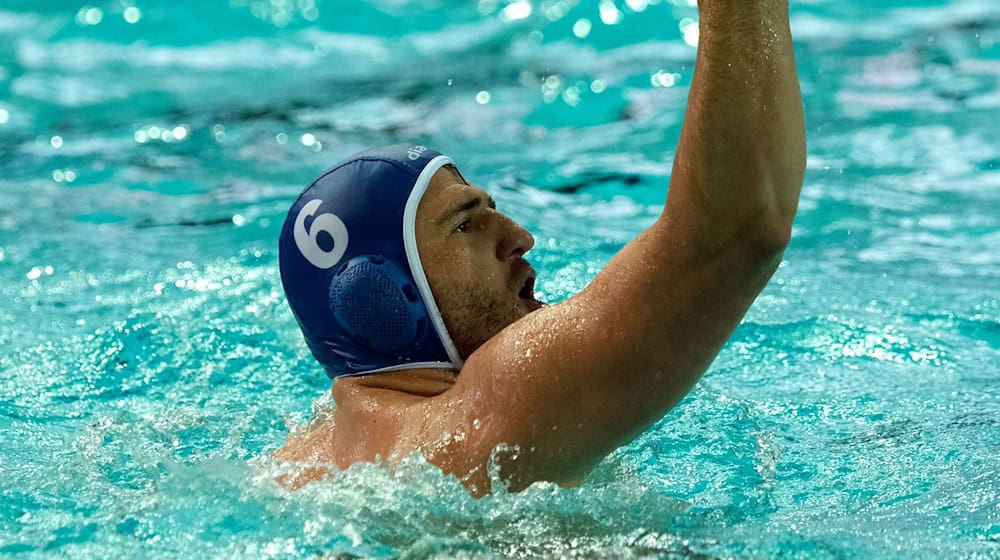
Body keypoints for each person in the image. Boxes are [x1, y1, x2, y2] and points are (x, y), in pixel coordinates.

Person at [273, 0, 805, 497]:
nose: (519, 238)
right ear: (381, 298)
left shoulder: (296, 468)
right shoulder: (485, 420)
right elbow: (737, 231)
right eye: (466, 226)